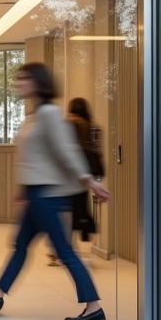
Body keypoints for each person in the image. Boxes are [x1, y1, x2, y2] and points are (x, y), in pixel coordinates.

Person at [0, 62, 112, 320]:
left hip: (48, 197)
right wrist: (24, 188)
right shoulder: (34, 116)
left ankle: (93, 306)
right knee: (20, 246)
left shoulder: (49, 114)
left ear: (38, 83)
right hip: (36, 194)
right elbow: (37, 157)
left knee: (64, 252)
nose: (18, 83)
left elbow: (66, 151)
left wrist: (89, 180)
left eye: (23, 78)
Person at [49, 97, 101, 266]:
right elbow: (97, 153)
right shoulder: (94, 128)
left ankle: (64, 249)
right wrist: (96, 180)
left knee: (64, 212)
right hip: (85, 176)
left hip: (68, 175)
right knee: (79, 211)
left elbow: (62, 151)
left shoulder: (67, 125)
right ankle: (67, 249)